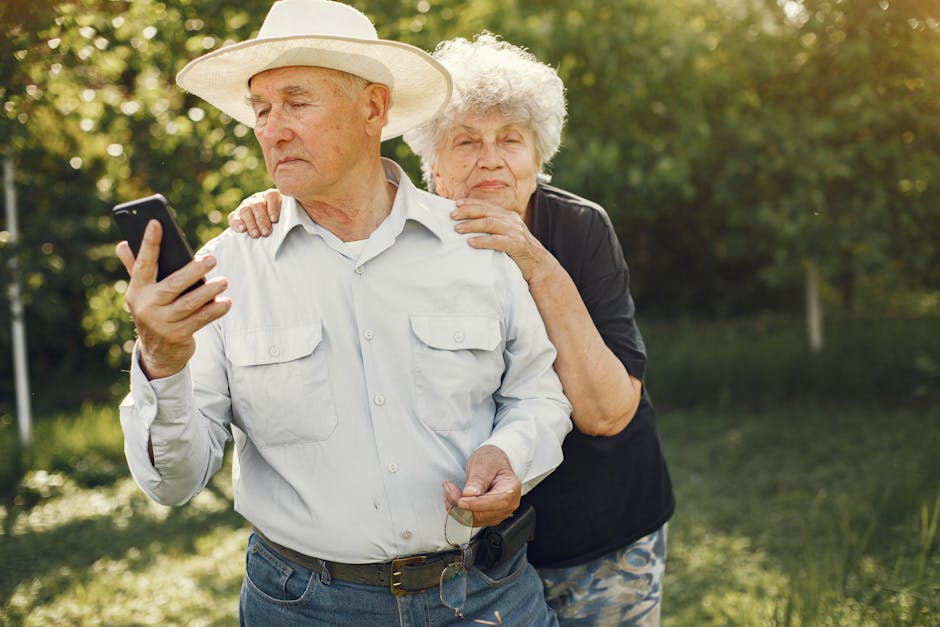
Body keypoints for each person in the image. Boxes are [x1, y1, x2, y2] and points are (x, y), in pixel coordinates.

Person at [115, 2, 572, 625]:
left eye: (297, 102)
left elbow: (538, 393)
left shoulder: (476, 244)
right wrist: (162, 362)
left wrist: (510, 454)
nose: (273, 130)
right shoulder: (226, 272)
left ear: (373, 108)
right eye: (262, 109)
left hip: (489, 595)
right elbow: (173, 484)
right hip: (304, 607)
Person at [232, 32, 675, 626]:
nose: (489, 159)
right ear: (433, 163)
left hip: (596, 528)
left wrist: (534, 258)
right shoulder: (410, 234)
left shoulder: (579, 228)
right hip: (476, 557)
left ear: (538, 157)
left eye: (511, 140)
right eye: (466, 141)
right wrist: (290, 195)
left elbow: (607, 412)